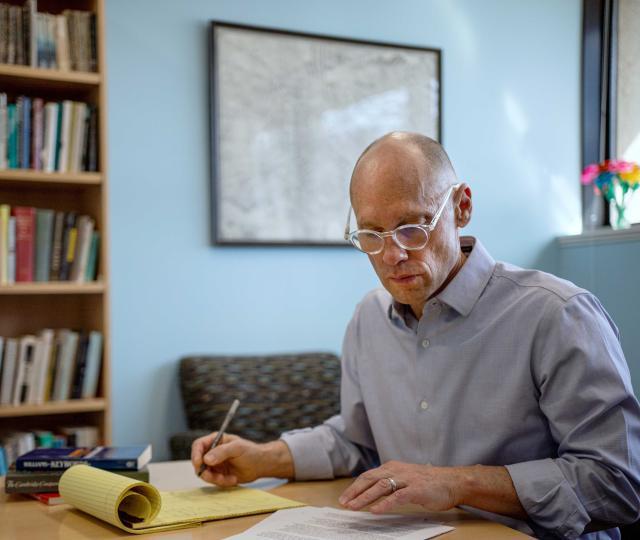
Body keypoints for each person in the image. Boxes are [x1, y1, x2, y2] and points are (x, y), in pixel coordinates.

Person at [192, 132, 640, 539]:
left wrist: (455, 482)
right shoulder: (368, 317)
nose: (393, 255)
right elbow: (357, 440)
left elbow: (616, 484)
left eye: (412, 227)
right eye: (371, 234)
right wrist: (262, 457)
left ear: (462, 206)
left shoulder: (557, 314)